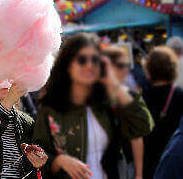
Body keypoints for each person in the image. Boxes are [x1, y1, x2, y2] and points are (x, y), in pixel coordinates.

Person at [32, 33, 153, 179]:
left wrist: (114, 83)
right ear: (68, 66)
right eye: (82, 60)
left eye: (95, 60)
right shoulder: (51, 108)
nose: (89, 65)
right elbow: (37, 156)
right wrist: (59, 161)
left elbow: (143, 126)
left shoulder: (108, 102)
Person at [102, 46, 147, 179]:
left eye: (127, 65)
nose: (126, 69)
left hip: (122, 161)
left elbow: (137, 138)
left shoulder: (130, 96)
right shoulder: (93, 95)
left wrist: (139, 174)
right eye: (121, 65)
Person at [143, 46, 183, 179]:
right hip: (174, 157)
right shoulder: (179, 94)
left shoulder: (141, 95)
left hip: (147, 159)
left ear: (149, 68)